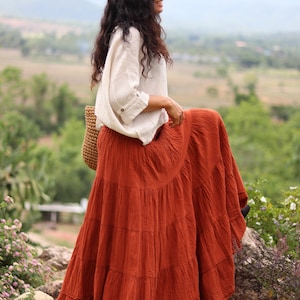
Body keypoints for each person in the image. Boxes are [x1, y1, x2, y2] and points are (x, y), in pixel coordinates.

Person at [57, 0, 248, 299]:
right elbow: (122, 96)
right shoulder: (129, 34)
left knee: (207, 123)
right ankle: (227, 210)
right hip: (128, 149)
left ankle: (229, 207)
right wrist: (167, 103)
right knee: (135, 241)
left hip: (139, 140)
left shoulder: (138, 32)